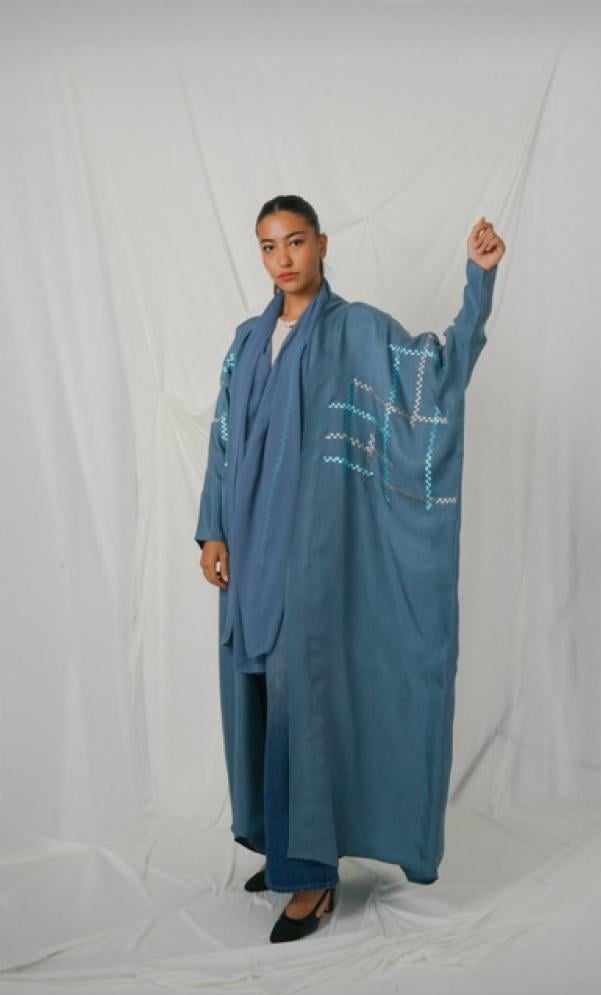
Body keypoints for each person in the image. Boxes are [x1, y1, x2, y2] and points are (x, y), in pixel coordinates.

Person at [196, 194, 506, 943]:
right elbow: (223, 439)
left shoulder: (356, 331)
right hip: (250, 553)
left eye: (296, 242)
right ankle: (282, 844)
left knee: (302, 701)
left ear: (322, 244)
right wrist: (212, 531)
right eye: (269, 246)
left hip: (314, 557)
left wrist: (478, 282)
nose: (283, 259)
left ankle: (312, 879)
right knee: (259, 696)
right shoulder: (246, 340)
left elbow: (435, 377)